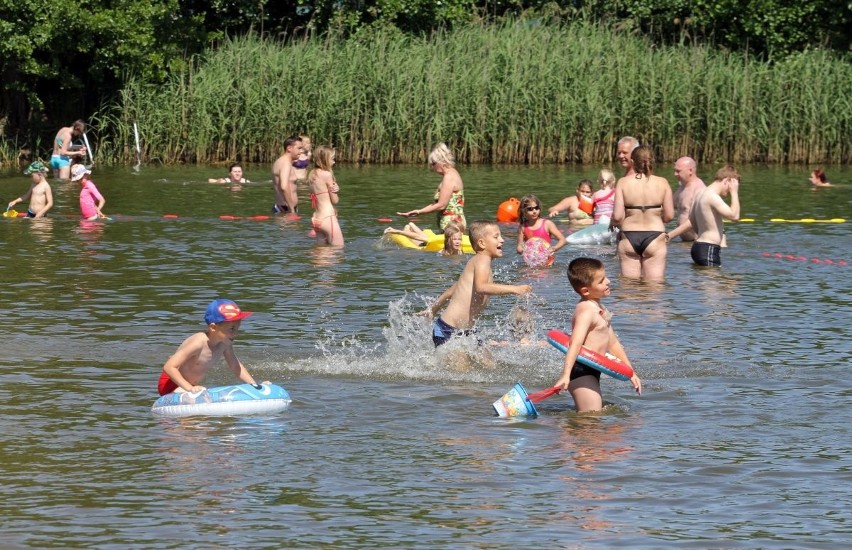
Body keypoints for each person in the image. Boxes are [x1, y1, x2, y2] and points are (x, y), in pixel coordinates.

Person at [553, 257, 642, 412]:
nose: (608, 281)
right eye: (601, 281)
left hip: (593, 369)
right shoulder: (586, 310)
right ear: (586, 290)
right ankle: (560, 434)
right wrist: (566, 374)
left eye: (605, 277)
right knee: (590, 420)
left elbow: (612, 343)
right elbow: (575, 343)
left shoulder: (598, 307)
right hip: (581, 371)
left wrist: (631, 371)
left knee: (593, 418)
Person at [426, 220, 532, 347]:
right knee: (463, 366)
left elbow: (453, 289)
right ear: (481, 243)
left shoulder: (481, 263)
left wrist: (433, 309)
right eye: (496, 237)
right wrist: (515, 289)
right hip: (448, 330)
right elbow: (481, 287)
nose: (502, 240)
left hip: (466, 331)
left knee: (489, 364)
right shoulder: (482, 260)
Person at [157, 299, 266, 395]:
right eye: (232, 329)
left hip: (188, 385)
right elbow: (169, 367)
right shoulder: (198, 342)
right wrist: (189, 388)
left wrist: (254, 386)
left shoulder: (224, 343)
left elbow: (235, 366)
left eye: (238, 328)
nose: (236, 333)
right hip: (170, 385)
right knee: (199, 402)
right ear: (213, 327)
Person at [611, 145, 674, 280]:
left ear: (632, 162)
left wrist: (613, 223)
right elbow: (669, 216)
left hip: (629, 236)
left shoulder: (623, 182)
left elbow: (617, 216)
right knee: (654, 287)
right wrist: (655, 217)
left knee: (629, 287)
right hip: (655, 236)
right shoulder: (663, 183)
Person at [669, 165, 741, 267]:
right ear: (727, 181)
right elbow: (734, 216)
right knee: (713, 281)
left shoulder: (699, 194)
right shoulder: (712, 196)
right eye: (730, 188)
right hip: (708, 248)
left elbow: (692, 221)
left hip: (697, 247)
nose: (728, 193)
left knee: (712, 282)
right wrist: (735, 193)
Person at [397, 143, 466, 231]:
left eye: (433, 164)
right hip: (451, 222)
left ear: (442, 162)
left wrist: (419, 212)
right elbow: (438, 204)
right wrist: (418, 211)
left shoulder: (449, 177)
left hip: (452, 223)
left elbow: (441, 205)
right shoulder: (452, 173)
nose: (432, 167)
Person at [308, 145, 343, 246]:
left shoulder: (311, 175)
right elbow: (335, 200)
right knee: (338, 249)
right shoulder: (327, 175)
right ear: (325, 160)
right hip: (328, 218)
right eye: (332, 159)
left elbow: (316, 199)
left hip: (316, 219)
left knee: (321, 253)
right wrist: (336, 190)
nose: (334, 161)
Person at [669, 157, 706, 242]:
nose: (675, 174)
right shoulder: (682, 187)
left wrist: (669, 236)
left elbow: (693, 221)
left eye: (678, 171)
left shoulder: (699, 190)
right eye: (675, 170)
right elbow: (669, 206)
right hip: (685, 243)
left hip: (696, 242)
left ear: (690, 171)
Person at [383, 221, 464, 256]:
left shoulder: (461, 251)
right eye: (455, 238)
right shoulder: (441, 250)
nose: (458, 241)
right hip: (425, 245)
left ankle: (411, 225)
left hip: (427, 240)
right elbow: (418, 237)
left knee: (425, 237)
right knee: (421, 239)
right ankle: (409, 227)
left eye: (459, 238)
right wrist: (396, 231)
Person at [271, 135, 303, 214]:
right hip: (286, 209)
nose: (301, 151)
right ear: (289, 148)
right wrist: (291, 209)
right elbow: (284, 187)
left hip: (284, 207)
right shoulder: (285, 163)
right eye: (299, 148)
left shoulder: (281, 161)